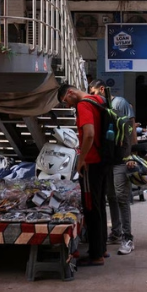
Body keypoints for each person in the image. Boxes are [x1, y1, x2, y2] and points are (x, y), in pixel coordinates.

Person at [57, 84, 108, 266]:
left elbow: (89, 134)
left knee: (90, 207)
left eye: (66, 102)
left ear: (70, 93)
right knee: (100, 204)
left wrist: (81, 160)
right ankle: (101, 248)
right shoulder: (99, 100)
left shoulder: (83, 105)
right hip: (103, 160)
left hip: (92, 163)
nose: (68, 106)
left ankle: (96, 255)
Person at [89, 79, 137, 256]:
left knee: (122, 197)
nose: (92, 96)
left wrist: (130, 155)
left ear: (102, 89)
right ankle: (116, 233)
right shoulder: (99, 106)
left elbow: (130, 127)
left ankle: (128, 238)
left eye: (94, 92)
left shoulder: (120, 103)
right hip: (105, 159)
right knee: (111, 197)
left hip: (120, 158)